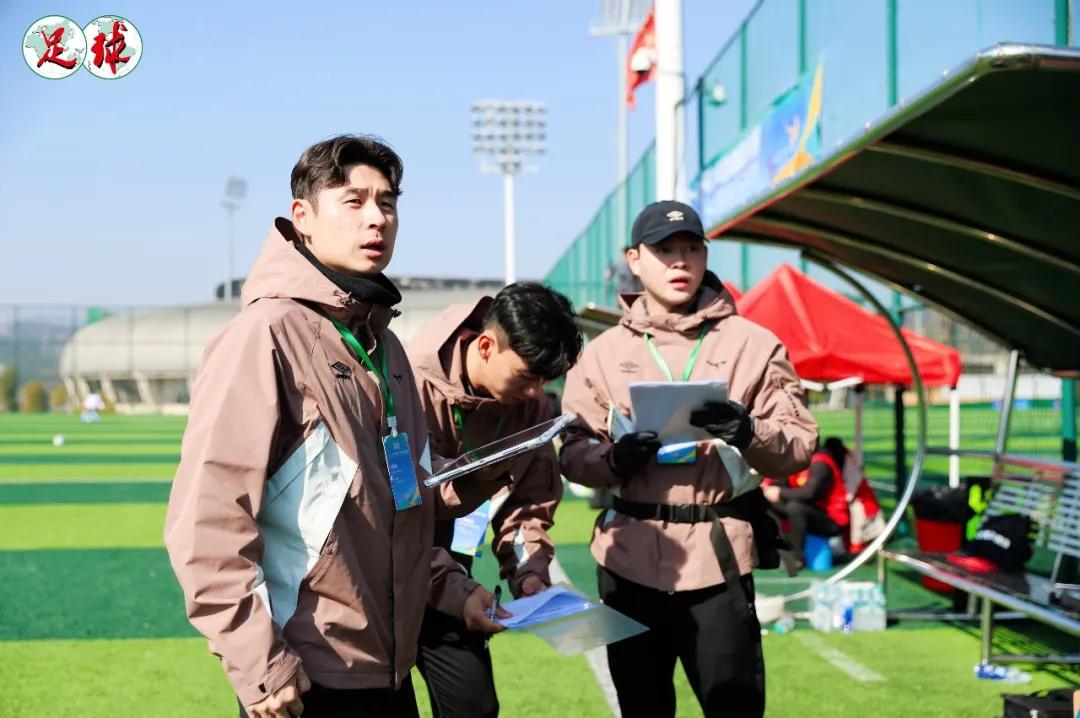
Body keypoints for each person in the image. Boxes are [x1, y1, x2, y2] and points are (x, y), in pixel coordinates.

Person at [164, 135, 507, 718]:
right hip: (304, 676)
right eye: (354, 201)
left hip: (388, 671)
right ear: (302, 217)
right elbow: (207, 520)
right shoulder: (266, 334)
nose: (377, 218)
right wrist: (260, 663)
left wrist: (457, 581)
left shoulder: (387, 348)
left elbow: (399, 508)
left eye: (388, 202)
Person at [559, 200, 818, 718]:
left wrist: (750, 432)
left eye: (691, 248)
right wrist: (614, 459)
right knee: (642, 708)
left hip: (720, 558)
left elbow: (799, 443)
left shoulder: (755, 345)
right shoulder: (602, 352)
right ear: (634, 259)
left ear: (705, 255)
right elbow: (572, 450)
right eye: (664, 250)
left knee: (735, 708)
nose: (680, 261)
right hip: (627, 558)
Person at [407, 281, 583, 717]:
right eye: (526, 376)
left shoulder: (531, 405)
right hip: (380, 573)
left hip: (452, 575)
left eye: (545, 381)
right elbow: (390, 519)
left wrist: (529, 572)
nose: (534, 392)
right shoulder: (404, 382)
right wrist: (456, 590)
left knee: (475, 707)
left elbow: (529, 501)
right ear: (486, 346)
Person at [764, 437, 883, 562]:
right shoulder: (799, 460)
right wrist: (770, 489)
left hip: (833, 520)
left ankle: (796, 557)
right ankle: (779, 548)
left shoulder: (820, 463)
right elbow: (783, 482)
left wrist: (780, 492)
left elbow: (809, 493)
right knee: (766, 502)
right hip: (812, 510)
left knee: (795, 508)